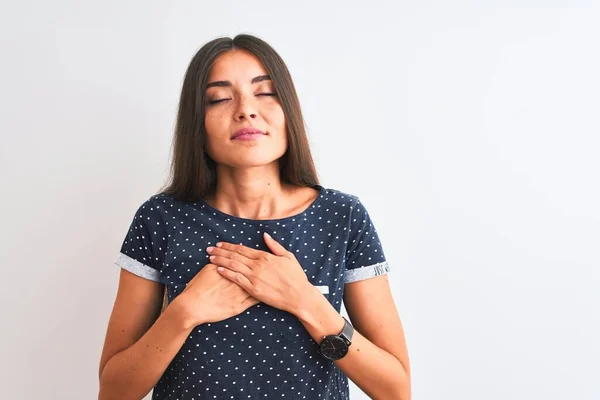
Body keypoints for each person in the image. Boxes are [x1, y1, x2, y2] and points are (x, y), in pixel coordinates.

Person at [98, 34, 410, 400]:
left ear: (288, 111)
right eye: (219, 98)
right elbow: (113, 391)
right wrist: (184, 312)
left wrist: (307, 303)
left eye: (264, 93)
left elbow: (395, 389)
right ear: (196, 124)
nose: (245, 109)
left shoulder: (342, 217)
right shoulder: (160, 218)